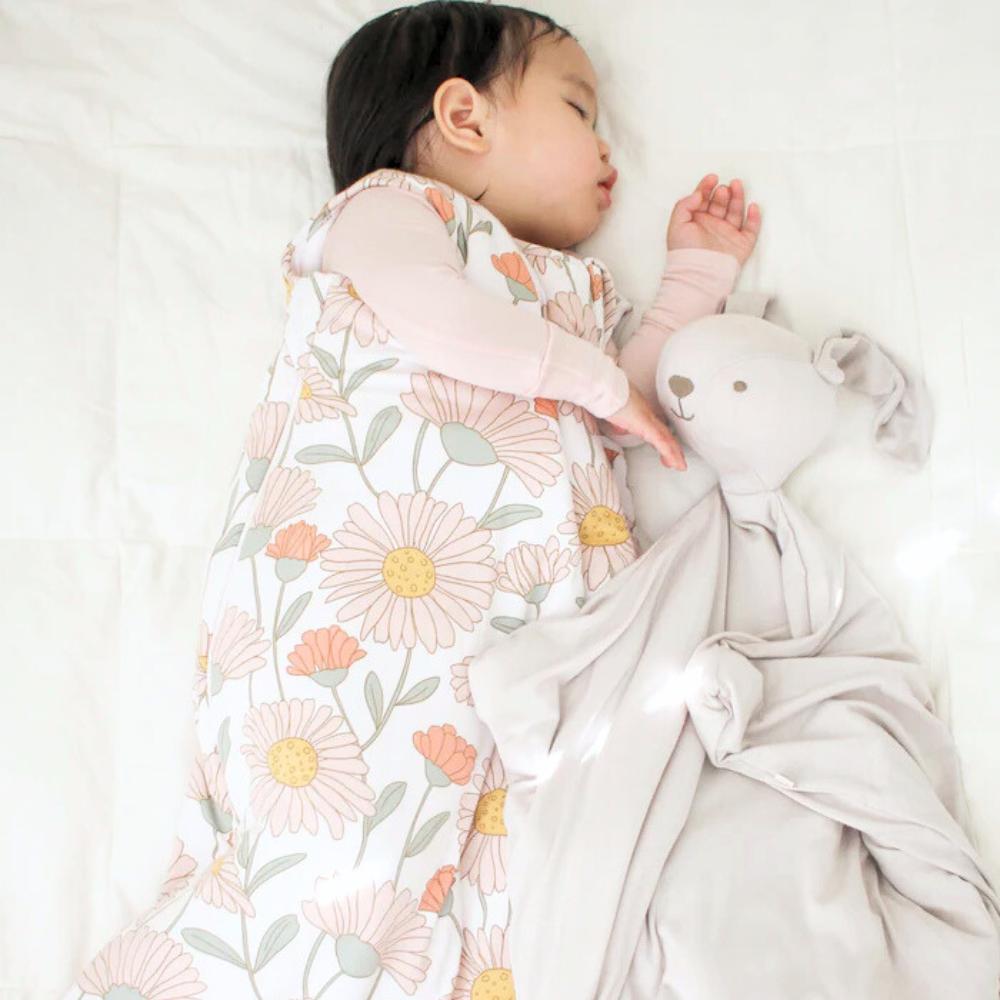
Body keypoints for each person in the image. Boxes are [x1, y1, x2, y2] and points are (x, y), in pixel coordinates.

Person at [63, 4, 761, 999]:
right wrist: (595, 380)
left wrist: (692, 280)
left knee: (511, 889)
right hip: (360, 601)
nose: (609, 149)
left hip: (530, 638)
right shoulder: (388, 212)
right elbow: (439, 323)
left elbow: (626, 413)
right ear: (464, 115)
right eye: (578, 108)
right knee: (330, 828)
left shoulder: (567, 290)